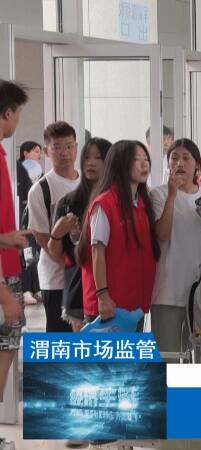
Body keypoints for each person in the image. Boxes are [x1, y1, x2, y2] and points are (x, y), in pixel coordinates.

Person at [78, 140, 160, 325]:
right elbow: (97, 252)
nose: (144, 164)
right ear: (120, 164)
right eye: (137, 159)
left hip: (134, 305)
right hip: (110, 305)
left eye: (146, 159)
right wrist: (102, 296)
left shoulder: (142, 204)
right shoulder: (105, 204)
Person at [150, 138, 201, 362]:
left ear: (197, 165)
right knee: (168, 359)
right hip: (167, 292)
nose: (180, 163)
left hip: (199, 294)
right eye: (174, 158)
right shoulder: (158, 194)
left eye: (186, 158)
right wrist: (172, 195)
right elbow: (162, 234)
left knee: (197, 358)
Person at [47, 137, 111, 331]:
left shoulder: (118, 201)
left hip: (115, 287)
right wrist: (57, 234)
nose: (91, 163)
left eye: (98, 158)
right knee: (85, 347)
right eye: (87, 157)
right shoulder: (67, 203)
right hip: (79, 290)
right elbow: (56, 253)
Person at [0, 80, 31, 450]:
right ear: (7, 112)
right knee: (5, 349)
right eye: (18, 113)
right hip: (3, 276)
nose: (18, 121)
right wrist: (6, 295)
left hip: (8, 268)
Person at [27, 121, 81, 332]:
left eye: (69, 146)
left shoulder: (88, 183)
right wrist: (70, 266)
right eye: (57, 147)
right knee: (61, 341)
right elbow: (41, 237)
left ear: (76, 147)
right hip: (56, 279)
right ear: (47, 151)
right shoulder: (40, 190)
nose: (65, 152)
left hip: (85, 277)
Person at [16, 140, 42, 221]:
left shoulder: (38, 171)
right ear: (26, 154)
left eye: (40, 152)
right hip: (20, 209)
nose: (40, 155)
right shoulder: (17, 168)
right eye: (37, 151)